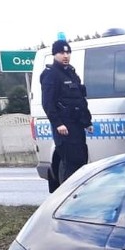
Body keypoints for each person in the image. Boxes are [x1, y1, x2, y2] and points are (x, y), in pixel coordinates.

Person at [40, 39, 93, 192]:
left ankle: (79, 195)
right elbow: (48, 103)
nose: (65, 56)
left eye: (68, 52)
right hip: (65, 128)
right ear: (54, 54)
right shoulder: (51, 75)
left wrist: (87, 122)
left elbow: (80, 100)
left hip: (77, 126)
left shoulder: (70, 72)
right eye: (61, 53)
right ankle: (67, 197)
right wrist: (58, 124)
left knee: (81, 161)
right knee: (71, 164)